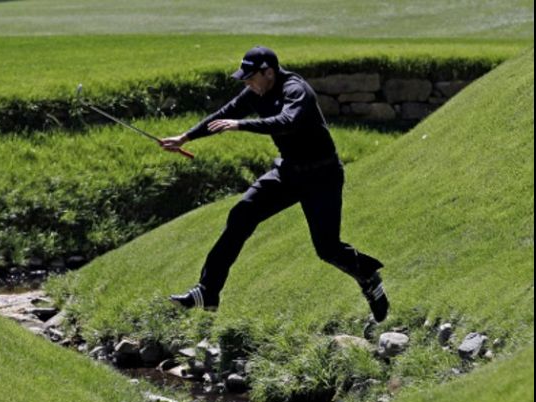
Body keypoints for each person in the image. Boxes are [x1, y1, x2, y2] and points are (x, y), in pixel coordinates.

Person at [160, 46, 389, 322]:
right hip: (289, 172)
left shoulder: (296, 90)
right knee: (242, 213)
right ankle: (208, 291)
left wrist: (242, 125)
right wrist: (184, 138)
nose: (247, 83)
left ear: (268, 72)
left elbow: (287, 122)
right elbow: (225, 113)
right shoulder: (256, 90)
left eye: (250, 77)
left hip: (322, 177)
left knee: (327, 248)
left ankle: (368, 277)